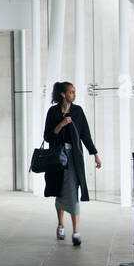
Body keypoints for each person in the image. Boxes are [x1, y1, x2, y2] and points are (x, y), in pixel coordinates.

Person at [44, 82, 101, 246]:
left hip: (74, 157)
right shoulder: (53, 112)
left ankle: (76, 231)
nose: (74, 95)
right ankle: (61, 224)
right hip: (57, 158)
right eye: (71, 92)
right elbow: (48, 136)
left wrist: (95, 154)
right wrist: (61, 124)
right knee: (59, 189)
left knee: (74, 190)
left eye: (74, 92)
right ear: (63, 94)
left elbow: (85, 135)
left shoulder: (77, 111)